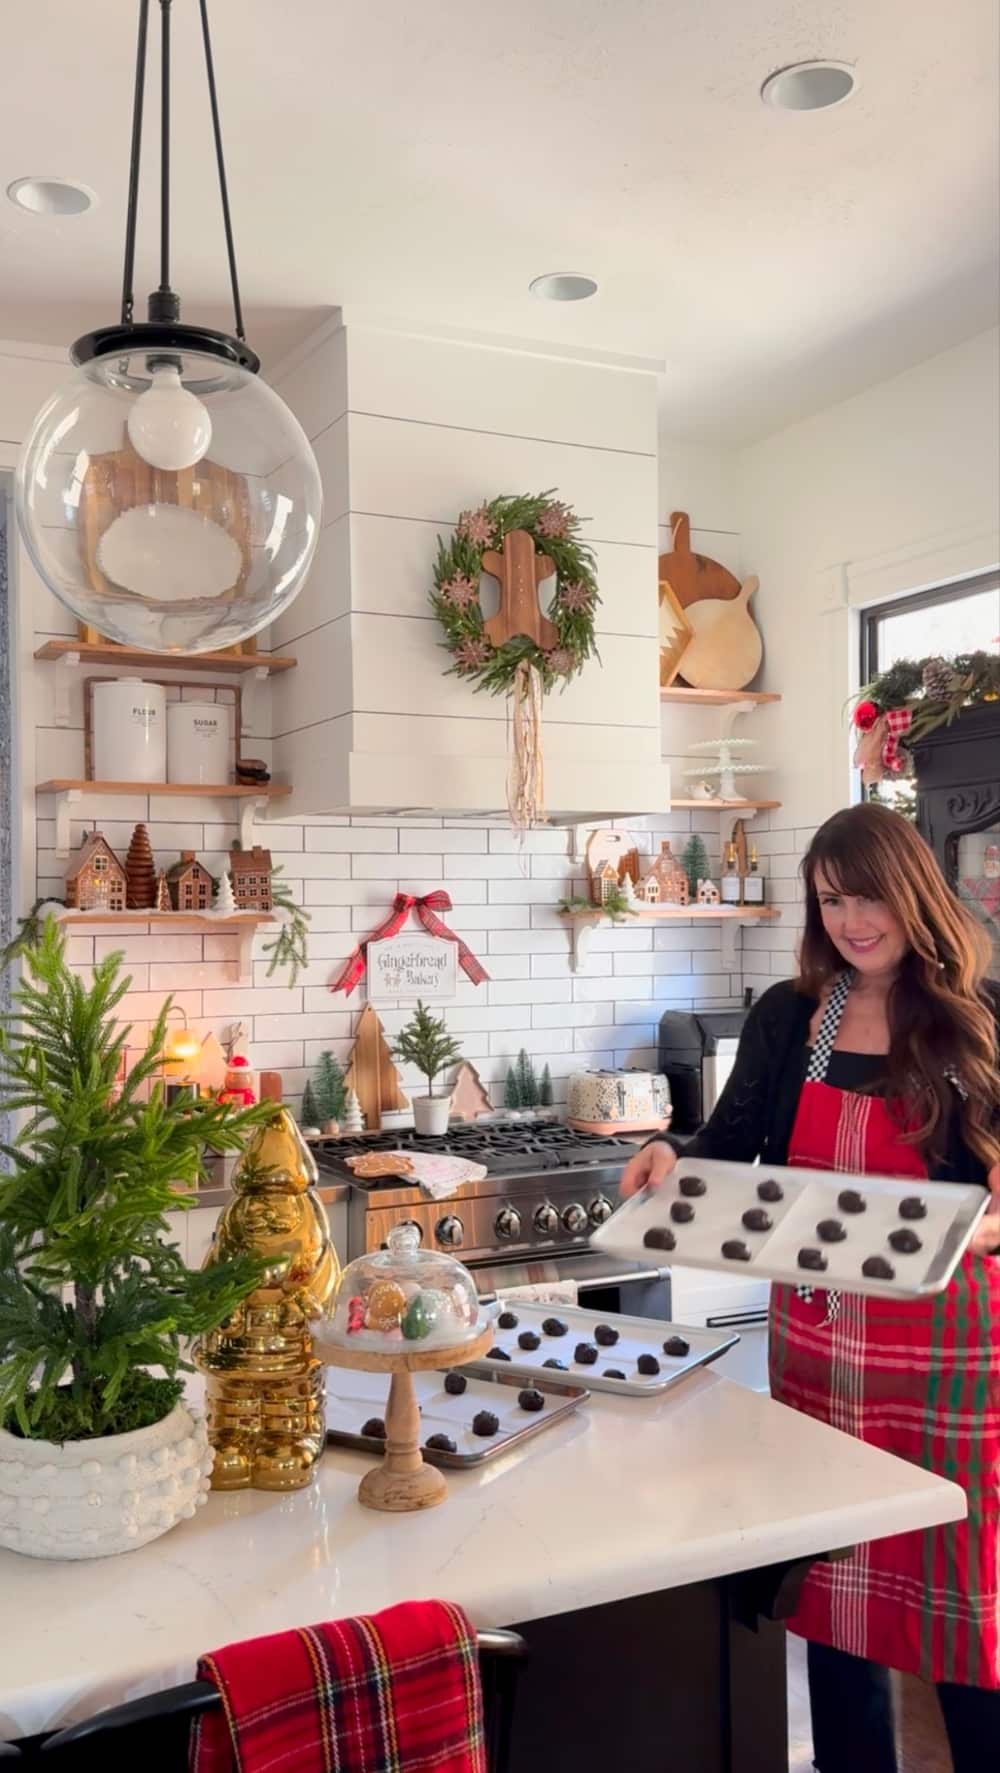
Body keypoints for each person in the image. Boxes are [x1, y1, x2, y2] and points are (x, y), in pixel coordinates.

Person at [620, 803, 1000, 1773]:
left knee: (965, 1600)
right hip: (824, 1355)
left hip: (948, 1359)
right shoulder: (789, 1018)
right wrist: (667, 1156)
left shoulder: (981, 1019)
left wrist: (972, 1227)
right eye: (831, 899)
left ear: (913, 890)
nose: (851, 919)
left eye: (868, 893)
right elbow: (726, 1150)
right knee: (835, 1596)